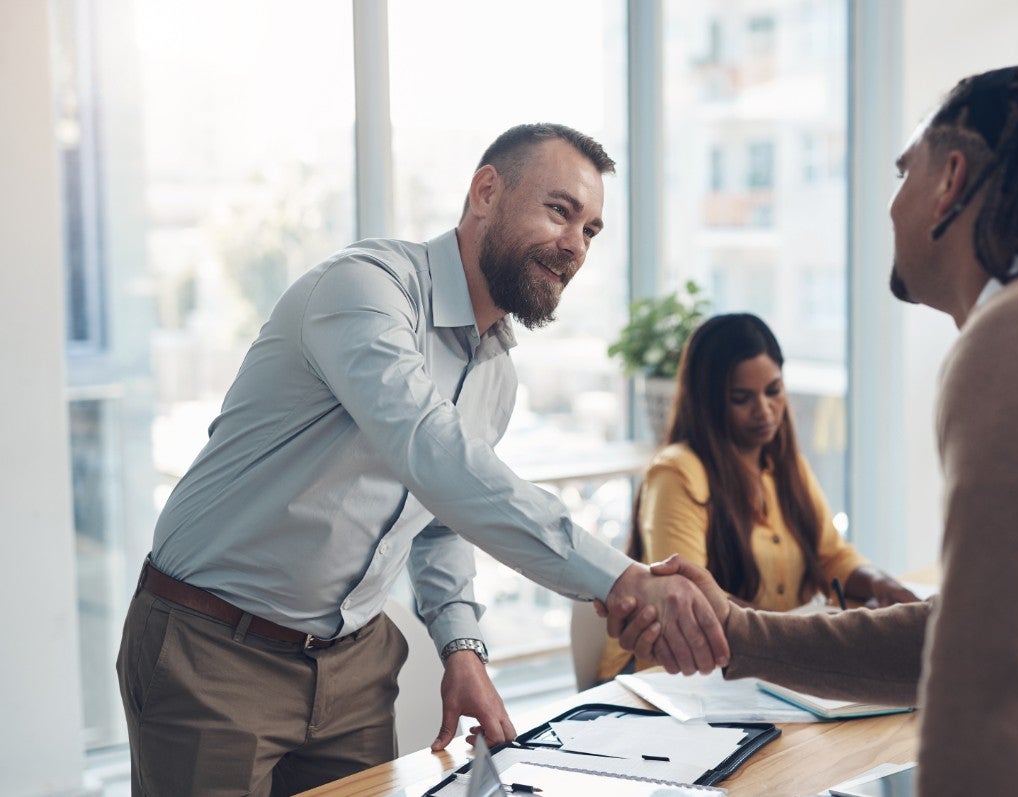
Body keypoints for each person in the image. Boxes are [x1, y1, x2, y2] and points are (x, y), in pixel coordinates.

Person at [612, 65, 1018, 796]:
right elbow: (964, 633)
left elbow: (997, 675)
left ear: (949, 180)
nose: (891, 203)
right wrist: (741, 634)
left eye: (904, 171)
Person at [116, 123, 727, 796]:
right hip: (213, 648)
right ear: (486, 192)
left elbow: (439, 519)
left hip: (352, 666)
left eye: (591, 229)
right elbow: (437, 456)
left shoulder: (495, 374)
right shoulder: (363, 291)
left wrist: (462, 646)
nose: (575, 245)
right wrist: (621, 579)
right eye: (560, 210)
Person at [597, 312, 916, 681]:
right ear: (709, 402)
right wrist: (789, 637)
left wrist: (881, 583)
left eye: (774, 391)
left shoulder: (784, 466)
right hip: (664, 682)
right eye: (741, 398)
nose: (764, 411)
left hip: (758, 669)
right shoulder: (677, 472)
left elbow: (832, 556)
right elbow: (689, 598)